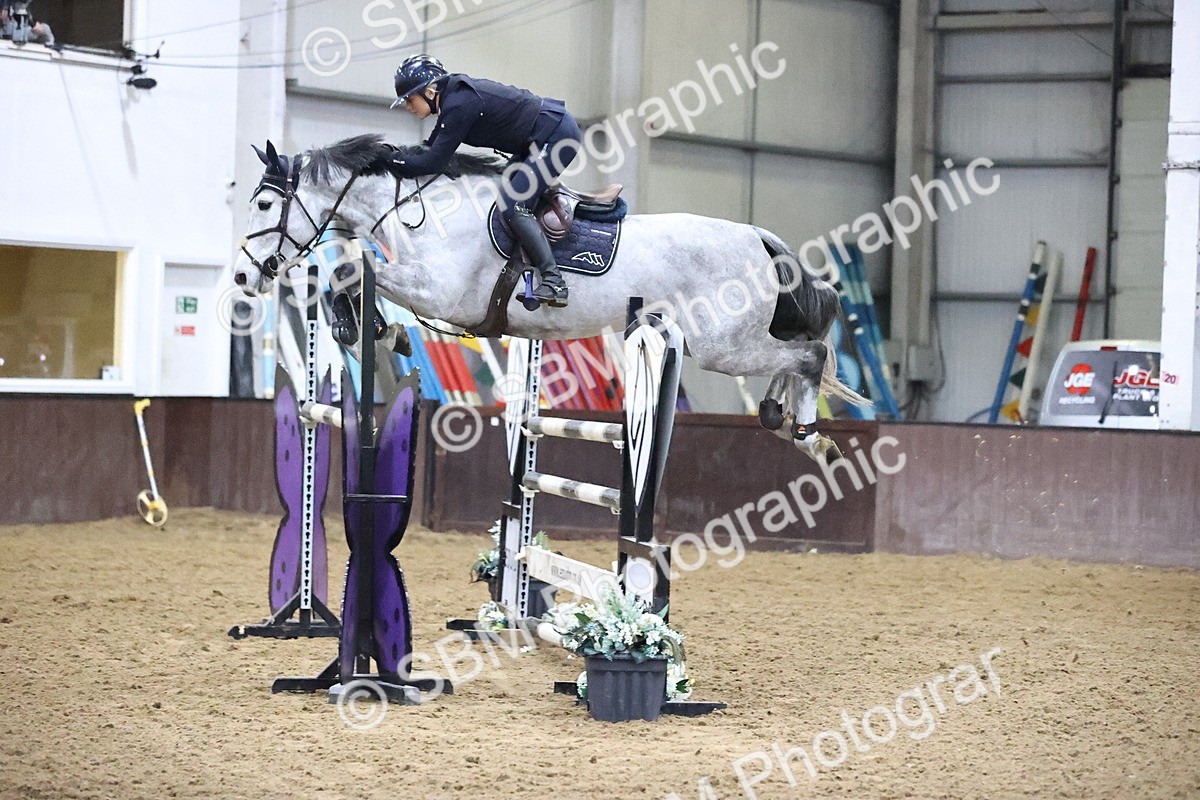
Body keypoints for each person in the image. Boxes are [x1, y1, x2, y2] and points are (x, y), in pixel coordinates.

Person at [388, 54, 579, 307]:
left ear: (431, 91)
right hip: (536, 140)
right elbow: (429, 149)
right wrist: (393, 154)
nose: (408, 107)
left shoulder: (458, 105)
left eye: (410, 99)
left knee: (513, 205)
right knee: (501, 192)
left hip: (556, 136)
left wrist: (388, 160)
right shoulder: (453, 100)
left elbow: (432, 163)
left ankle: (554, 281)